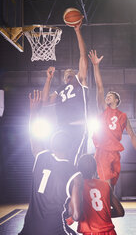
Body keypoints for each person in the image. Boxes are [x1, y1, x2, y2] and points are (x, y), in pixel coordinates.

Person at [18, 90, 83, 235]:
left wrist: (33, 111)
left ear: (52, 145)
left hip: (28, 230)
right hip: (55, 230)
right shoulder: (74, 173)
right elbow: (77, 215)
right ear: (70, 148)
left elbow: (33, 135)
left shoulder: (41, 156)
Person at [88, 50, 136, 186]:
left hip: (115, 153)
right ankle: (108, 207)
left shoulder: (123, 116)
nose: (107, 96)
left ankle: (110, 206)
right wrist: (95, 66)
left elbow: (133, 136)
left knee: (112, 186)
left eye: (111, 95)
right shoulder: (104, 109)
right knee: (106, 184)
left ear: (117, 99)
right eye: (107, 95)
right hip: (103, 150)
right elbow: (99, 87)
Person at [42, 20, 88, 165]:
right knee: (59, 162)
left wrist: (77, 31)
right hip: (62, 128)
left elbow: (82, 56)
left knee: (74, 162)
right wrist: (48, 80)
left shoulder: (79, 82)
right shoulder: (60, 89)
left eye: (72, 72)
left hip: (77, 127)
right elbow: (45, 102)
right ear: (63, 78)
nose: (69, 73)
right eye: (67, 74)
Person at [77, 154, 124, 235]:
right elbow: (120, 212)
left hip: (91, 232)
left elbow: (75, 215)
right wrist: (102, 215)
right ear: (95, 169)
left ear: (78, 169)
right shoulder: (105, 185)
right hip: (110, 232)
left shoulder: (78, 187)